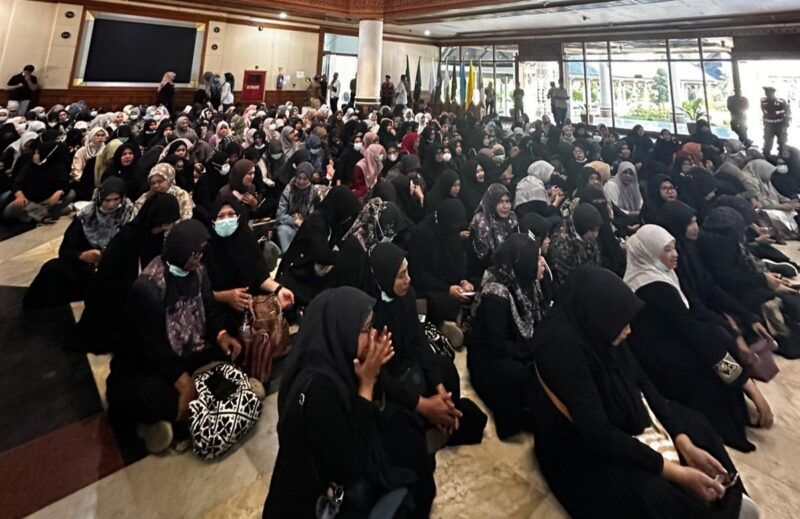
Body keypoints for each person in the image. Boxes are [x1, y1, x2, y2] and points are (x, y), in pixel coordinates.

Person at [532, 266, 755, 519]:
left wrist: (682, 439)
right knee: (649, 493)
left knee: (696, 425)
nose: (628, 331)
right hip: (576, 444)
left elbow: (640, 379)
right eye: (621, 323)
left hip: (618, 404)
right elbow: (598, 434)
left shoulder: (597, 324)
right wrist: (675, 471)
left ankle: (731, 497)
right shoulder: (561, 348)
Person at [263, 287, 414, 518]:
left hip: (340, 461)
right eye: (365, 329)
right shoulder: (319, 390)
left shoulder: (332, 361)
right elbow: (348, 466)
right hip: (318, 501)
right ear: (341, 331)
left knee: (406, 433)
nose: (373, 334)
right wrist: (367, 384)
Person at [624, 224, 766, 452]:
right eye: (667, 250)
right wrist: (744, 381)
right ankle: (730, 423)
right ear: (650, 252)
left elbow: (692, 312)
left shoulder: (657, 271)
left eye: (674, 248)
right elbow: (695, 335)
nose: (675, 254)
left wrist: (728, 329)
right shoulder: (654, 287)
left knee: (718, 337)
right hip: (658, 360)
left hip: (670, 340)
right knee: (712, 362)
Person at [106, 220, 241, 454]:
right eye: (194, 253)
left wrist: (221, 334)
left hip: (191, 348)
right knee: (150, 396)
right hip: (151, 362)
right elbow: (152, 347)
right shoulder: (149, 288)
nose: (199, 258)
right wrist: (184, 381)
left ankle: (182, 417)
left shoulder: (198, 271)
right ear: (179, 251)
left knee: (235, 342)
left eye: (201, 252)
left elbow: (209, 307)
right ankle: (157, 423)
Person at [77, 193, 181, 351]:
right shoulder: (126, 239)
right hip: (114, 300)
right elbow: (105, 281)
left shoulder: (154, 235)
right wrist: (139, 284)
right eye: (163, 223)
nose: (165, 228)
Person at [468, 234, 545, 439]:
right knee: (517, 374)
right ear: (524, 263)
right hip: (490, 358)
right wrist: (532, 352)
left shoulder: (528, 282)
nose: (542, 264)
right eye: (536, 259)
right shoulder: (497, 293)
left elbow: (540, 318)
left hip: (518, 346)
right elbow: (497, 344)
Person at [24, 177, 132, 310]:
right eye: (107, 200)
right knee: (51, 269)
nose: (111, 205)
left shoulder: (127, 216)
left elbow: (130, 251)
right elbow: (66, 250)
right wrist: (82, 255)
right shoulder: (86, 216)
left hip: (111, 270)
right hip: (84, 266)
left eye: (116, 200)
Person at [205, 196, 294, 328]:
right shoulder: (206, 247)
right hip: (216, 309)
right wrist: (226, 297)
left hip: (249, 305)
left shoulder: (246, 238)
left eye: (231, 215)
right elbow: (199, 293)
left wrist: (278, 289)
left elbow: (259, 275)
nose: (226, 220)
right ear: (213, 220)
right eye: (221, 216)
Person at [277, 185, 361, 306]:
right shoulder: (316, 221)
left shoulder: (333, 222)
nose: (347, 219)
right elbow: (322, 254)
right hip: (295, 273)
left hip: (309, 272)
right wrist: (344, 257)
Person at [407, 199, 473, 328]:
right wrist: (447, 289)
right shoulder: (422, 234)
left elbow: (457, 258)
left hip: (452, 282)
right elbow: (419, 274)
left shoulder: (451, 230)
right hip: (431, 286)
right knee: (438, 301)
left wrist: (463, 281)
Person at [334, 198, 406, 294]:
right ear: (380, 226)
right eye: (389, 234)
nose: (392, 237)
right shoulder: (357, 245)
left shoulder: (371, 239)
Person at [4, 140, 75, 224]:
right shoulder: (30, 165)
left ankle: (37, 215)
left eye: (37, 153)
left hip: (46, 201)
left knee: (71, 193)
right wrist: (20, 196)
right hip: (27, 201)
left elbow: (65, 184)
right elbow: (17, 183)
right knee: (10, 210)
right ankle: (45, 214)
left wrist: (60, 191)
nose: (35, 155)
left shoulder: (59, 167)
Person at [468, 183, 519, 276]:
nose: (505, 206)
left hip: (510, 269)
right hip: (485, 272)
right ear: (492, 202)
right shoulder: (481, 222)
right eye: (500, 202)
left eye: (507, 201)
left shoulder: (512, 218)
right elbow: (480, 260)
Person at [547, 203, 602, 285]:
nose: (596, 235)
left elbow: (597, 264)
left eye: (597, 230)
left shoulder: (586, 235)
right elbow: (566, 283)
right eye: (592, 231)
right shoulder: (561, 248)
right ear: (583, 228)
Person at [275, 162, 319, 252]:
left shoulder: (314, 193)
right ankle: (287, 257)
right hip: (289, 226)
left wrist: (304, 223)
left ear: (310, 178)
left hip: (305, 229)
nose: (301, 181)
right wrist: (294, 221)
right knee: (282, 230)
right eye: (299, 178)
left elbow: (313, 216)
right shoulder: (288, 190)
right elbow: (279, 215)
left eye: (305, 179)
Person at [761, 86, 791, 155]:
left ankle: (782, 159)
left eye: (768, 93)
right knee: (767, 144)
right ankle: (766, 158)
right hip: (768, 126)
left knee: (782, 144)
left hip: (779, 126)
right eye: (766, 93)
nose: (766, 94)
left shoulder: (781, 102)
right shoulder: (763, 101)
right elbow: (764, 113)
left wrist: (785, 125)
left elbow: (788, 113)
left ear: (773, 93)